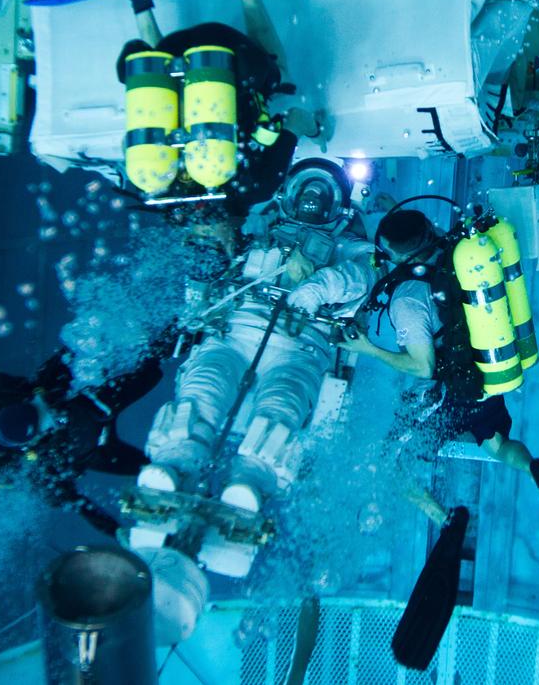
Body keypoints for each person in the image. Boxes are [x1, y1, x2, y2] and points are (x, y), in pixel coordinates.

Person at [344, 208, 539, 671]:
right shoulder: (460, 252)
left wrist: (366, 348)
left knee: (388, 464)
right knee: (494, 443)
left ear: (391, 253)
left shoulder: (408, 297)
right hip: (489, 378)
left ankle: (448, 519)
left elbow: (422, 368)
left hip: (448, 394)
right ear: (427, 231)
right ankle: (536, 470)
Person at [25, 0, 327, 221]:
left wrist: (317, 129)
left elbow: (294, 118)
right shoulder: (158, 187)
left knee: (281, 76)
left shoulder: (257, 187)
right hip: (170, 52)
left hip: (231, 51)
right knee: (164, 78)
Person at [135, 158, 375, 520]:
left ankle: (251, 477)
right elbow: (216, 255)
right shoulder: (259, 226)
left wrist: (319, 286)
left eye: (320, 195)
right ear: (288, 194)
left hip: (299, 345)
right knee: (205, 385)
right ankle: (179, 459)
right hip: (234, 332)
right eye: (304, 192)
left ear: (337, 205)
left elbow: (364, 278)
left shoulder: (350, 245)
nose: (310, 201)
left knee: (283, 400)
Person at [0, 349, 162, 536]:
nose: (48, 422)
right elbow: (80, 505)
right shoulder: (39, 473)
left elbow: (76, 351)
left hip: (91, 433)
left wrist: (118, 532)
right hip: (92, 432)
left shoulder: (42, 388)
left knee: (150, 376)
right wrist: (119, 532)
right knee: (152, 468)